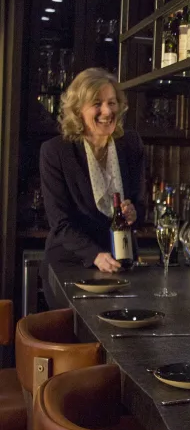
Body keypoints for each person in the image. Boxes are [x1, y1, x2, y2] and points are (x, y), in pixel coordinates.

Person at [40, 68, 145, 304]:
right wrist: (95, 256)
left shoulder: (130, 144)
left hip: (121, 265)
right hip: (71, 265)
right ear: (78, 110)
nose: (107, 111)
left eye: (112, 102)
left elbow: (141, 206)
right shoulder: (55, 152)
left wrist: (134, 212)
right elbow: (60, 223)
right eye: (97, 104)